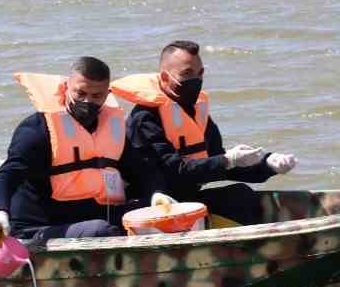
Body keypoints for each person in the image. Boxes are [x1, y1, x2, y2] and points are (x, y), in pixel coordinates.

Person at [110, 40, 298, 227]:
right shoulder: (145, 119)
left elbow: (217, 165)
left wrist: (267, 165)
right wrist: (227, 160)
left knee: (240, 195)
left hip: (187, 200)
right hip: (152, 206)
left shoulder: (196, 113)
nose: (196, 80)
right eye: (187, 74)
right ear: (166, 78)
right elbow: (175, 171)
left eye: (200, 74)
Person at [0, 56, 162, 244]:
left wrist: (157, 194)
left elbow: (143, 170)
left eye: (96, 96)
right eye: (80, 93)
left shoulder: (113, 130)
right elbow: (5, 175)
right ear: (66, 87)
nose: (87, 101)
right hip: (39, 228)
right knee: (100, 230)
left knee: (155, 216)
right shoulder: (37, 129)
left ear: (107, 94)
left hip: (91, 216)